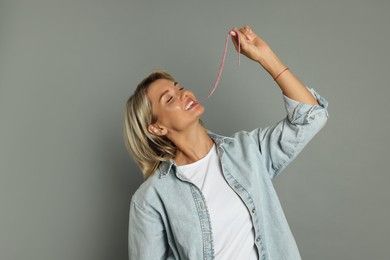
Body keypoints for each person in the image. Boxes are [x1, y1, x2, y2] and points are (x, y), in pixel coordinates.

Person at [124, 25, 329, 260]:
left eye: (179, 88)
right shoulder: (151, 198)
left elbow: (311, 117)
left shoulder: (248, 151)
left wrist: (265, 57)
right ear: (157, 128)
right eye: (170, 98)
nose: (184, 94)